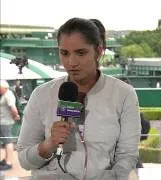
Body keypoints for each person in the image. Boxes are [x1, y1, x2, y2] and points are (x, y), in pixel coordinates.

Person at [17, 18, 141, 178]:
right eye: (64, 53)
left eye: (80, 53)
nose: (71, 62)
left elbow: (127, 157)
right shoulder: (41, 95)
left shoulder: (124, 94)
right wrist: (48, 145)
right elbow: (24, 161)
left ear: (98, 51)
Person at [0, 80, 20, 171]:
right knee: (6, 142)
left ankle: (8, 162)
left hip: (6, 122)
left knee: (8, 141)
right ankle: (6, 160)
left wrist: (15, 116)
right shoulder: (5, 95)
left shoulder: (8, 95)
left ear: (4, 87)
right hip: (3, 122)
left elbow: (13, 109)